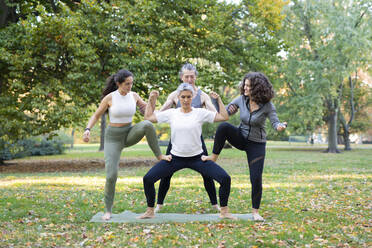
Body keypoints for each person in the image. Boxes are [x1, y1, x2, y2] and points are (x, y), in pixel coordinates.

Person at [139, 83, 236, 219]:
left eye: (188, 97)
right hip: (175, 159)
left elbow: (223, 117)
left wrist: (218, 100)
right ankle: (150, 211)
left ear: (193, 97)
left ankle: (224, 211)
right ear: (178, 97)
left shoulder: (200, 113)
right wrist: (151, 100)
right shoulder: (172, 113)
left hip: (198, 159)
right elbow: (148, 117)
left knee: (225, 179)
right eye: (183, 97)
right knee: (148, 179)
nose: (185, 100)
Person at [82, 69, 168, 221]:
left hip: (129, 133)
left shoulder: (134, 96)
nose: (130, 86)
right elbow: (96, 115)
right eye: (127, 84)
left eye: (131, 83)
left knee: (147, 124)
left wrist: (152, 99)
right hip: (113, 138)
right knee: (111, 175)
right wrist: (87, 130)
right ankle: (108, 210)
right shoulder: (110, 98)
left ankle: (159, 155)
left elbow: (148, 113)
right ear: (118, 84)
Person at [202, 72, 287, 221]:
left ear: (257, 88)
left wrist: (280, 126)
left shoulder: (267, 105)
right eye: (245, 85)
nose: (245, 88)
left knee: (255, 178)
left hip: (257, 144)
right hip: (241, 137)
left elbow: (275, 122)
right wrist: (217, 101)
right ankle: (213, 157)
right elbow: (224, 113)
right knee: (224, 127)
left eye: (248, 86)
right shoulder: (241, 99)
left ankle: (255, 212)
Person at [155, 63, 220, 213]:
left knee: (206, 171)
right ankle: (159, 204)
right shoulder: (175, 95)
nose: (189, 79)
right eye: (186, 76)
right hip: (176, 141)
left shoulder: (202, 95)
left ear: (195, 77)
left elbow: (215, 113)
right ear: (181, 77)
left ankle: (215, 204)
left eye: (192, 76)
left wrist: (212, 104)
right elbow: (159, 112)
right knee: (166, 171)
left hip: (196, 141)